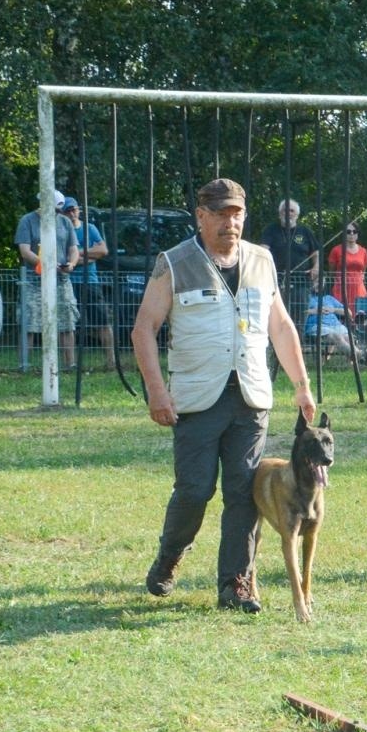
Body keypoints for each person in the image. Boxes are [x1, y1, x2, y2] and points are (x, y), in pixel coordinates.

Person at [132, 177, 314, 613]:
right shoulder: (173, 263)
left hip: (250, 397)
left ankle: (236, 583)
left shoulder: (262, 260)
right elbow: (143, 330)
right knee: (194, 490)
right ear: (201, 216)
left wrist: (302, 385)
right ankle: (170, 556)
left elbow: (282, 327)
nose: (229, 222)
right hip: (195, 399)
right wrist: (157, 392)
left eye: (236, 213)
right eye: (219, 213)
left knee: (241, 492)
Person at [16, 190, 80, 369]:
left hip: (61, 281)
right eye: (55, 208)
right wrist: (47, 265)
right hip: (33, 282)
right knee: (28, 322)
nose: (57, 212)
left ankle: (70, 364)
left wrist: (71, 264)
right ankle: (24, 365)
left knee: (67, 321)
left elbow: (73, 249)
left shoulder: (65, 222)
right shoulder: (27, 221)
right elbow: (25, 251)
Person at [65, 197, 115, 366]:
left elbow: (103, 250)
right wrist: (88, 257)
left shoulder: (90, 228)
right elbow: (62, 258)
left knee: (102, 321)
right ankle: (70, 363)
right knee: (67, 324)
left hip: (90, 282)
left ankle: (111, 362)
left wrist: (77, 254)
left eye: (74, 209)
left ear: (78, 210)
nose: (72, 213)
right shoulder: (61, 231)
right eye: (67, 211)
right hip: (68, 283)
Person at [261, 198, 320, 325]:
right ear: (279, 213)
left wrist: (316, 268)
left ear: (297, 214)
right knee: (276, 317)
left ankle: (298, 344)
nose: (288, 213)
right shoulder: (271, 230)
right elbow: (263, 251)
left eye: (292, 210)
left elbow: (315, 253)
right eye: (285, 210)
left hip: (301, 282)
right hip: (276, 281)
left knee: (299, 318)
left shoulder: (305, 231)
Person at [302, 287, 367, 363]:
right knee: (336, 336)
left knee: (348, 338)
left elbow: (349, 312)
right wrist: (314, 311)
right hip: (318, 326)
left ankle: (359, 357)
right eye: (316, 283)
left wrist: (333, 310)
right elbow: (298, 310)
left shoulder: (329, 298)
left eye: (320, 283)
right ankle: (360, 355)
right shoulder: (306, 298)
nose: (318, 285)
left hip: (336, 325)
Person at [325, 223, 367, 311]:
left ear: (357, 234)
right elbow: (332, 270)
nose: (351, 234)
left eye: (354, 231)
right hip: (341, 288)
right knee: (340, 313)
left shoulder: (363, 251)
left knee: (358, 314)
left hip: (358, 288)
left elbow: (364, 269)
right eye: (348, 232)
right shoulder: (336, 250)